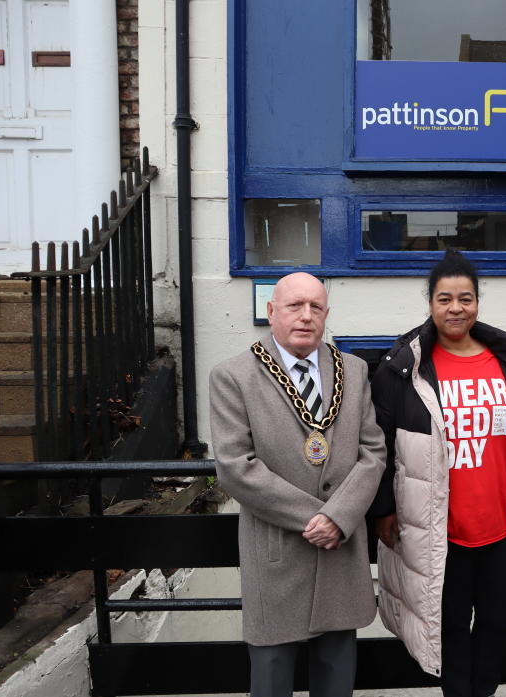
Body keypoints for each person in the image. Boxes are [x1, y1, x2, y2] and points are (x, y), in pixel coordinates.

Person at [369, 249, 506, 697]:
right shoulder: (402, 368)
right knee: (448, 630)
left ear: (477, 303)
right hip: (440, 534)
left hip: (503, 528)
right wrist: (382, 510)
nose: (456, 308)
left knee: (496, 624)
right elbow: (378, 444)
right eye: (445, 299)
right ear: (430, 304)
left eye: (466, 298)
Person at [209, 272, 386, 697]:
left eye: (316, 307)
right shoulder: (233, 376)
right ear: (271, 312)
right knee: (271, 676)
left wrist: (339, 517)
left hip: (340, 551)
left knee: (336, 676)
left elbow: (373, 453)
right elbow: (236, 466)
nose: (306, 316)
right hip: (277, 553)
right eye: (294, 306)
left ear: (326, 314)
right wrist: (318, 517)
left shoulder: (355, 371)